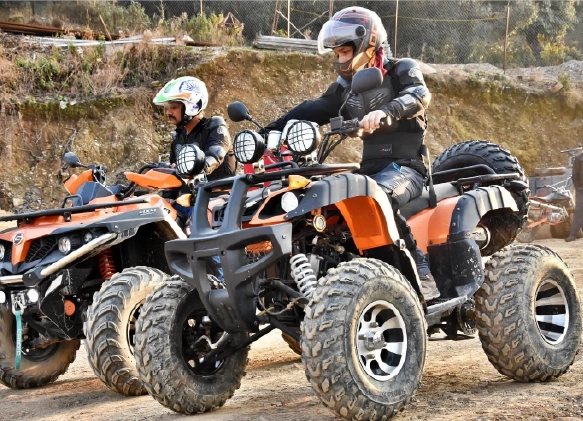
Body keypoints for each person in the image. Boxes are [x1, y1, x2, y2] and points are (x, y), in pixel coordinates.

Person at [261, 6, 440, 301]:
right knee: (323, 197)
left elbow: (419, 96)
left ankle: (421, 269)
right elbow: (313, 108)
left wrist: (387, 110)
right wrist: (270, 129)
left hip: (406, 169)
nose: (339, 59)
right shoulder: (346, 87)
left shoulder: (401, 69)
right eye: (337, 54)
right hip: (367, 169)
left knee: (380, 194)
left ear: (368, 44)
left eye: (344, 52)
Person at [153, 76, 236, 216]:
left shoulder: (215, 126)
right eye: (167, 108)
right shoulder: (178, 137)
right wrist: (168, 195)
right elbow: (173, 173)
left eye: (173, 107)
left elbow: (215, 155)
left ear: (192, 105)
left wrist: (191, 169)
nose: (168, 112)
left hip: (219, 202)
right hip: (188, 202)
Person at [566, 150, 583, 241]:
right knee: (578, 212)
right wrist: (578, 187)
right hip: (582, 190)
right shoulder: (580, 157)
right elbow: (575, 174)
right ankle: (572, 235)